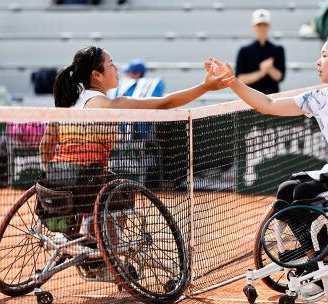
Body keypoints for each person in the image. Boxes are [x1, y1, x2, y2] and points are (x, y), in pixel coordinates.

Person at [207, 31, 328, 299]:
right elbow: (268, 104)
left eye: (324, 56)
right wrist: (232, 82)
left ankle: (326, 263)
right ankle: (318, 258)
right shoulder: (320, 98)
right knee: (286, 190)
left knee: (302, 194)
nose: (318, 62)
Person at [38, 46, 234, 230]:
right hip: (86, 183)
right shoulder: (108, 104)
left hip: (55, 184)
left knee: (105, 188)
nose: (116, 69)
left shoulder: (67, 103)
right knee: (121, 193)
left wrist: (51, 176)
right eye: (111, 64)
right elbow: (164, 103)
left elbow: (45, 145)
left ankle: (83, 240)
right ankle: (108, 258)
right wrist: (205, 87)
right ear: (96, 75)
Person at [235, 9, 286, 94]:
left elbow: (280, 77)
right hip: (250, 98)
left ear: (269, 26)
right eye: (259, 25)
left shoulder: (278, 49)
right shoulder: (244, 50)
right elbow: (240, 79)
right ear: (253, 26)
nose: (262, 28)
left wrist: (270, 68)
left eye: (264, 25)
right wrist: (261, 73)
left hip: (272, 98)